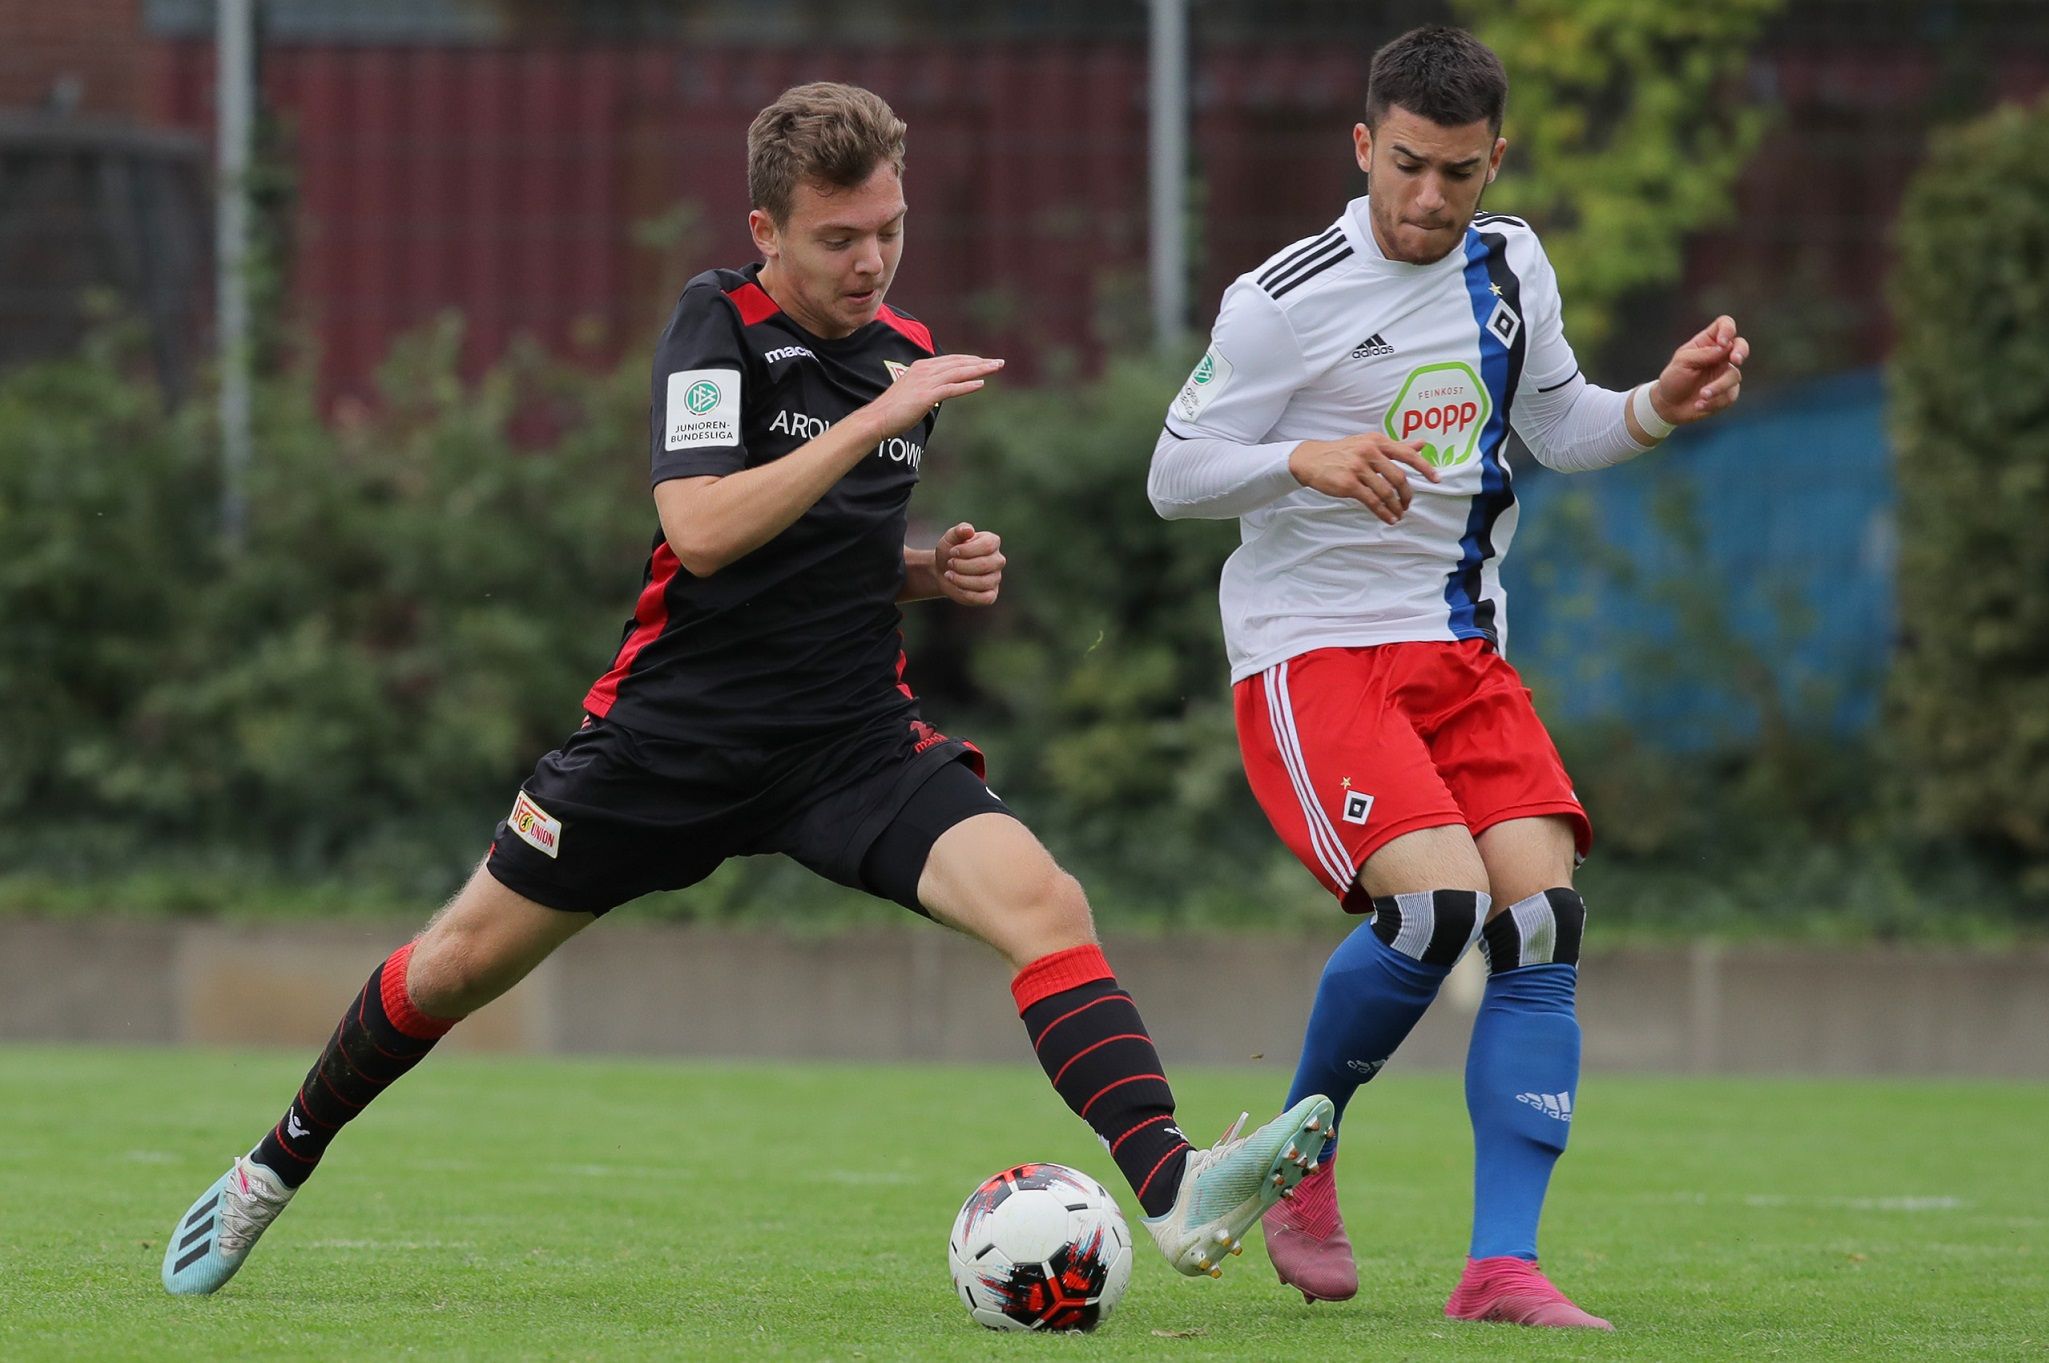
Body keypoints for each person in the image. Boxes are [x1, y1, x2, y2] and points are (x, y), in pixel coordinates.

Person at [163, 80, 1332, 1298]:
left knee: (1044, 900)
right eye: (838, 237)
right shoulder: (716, 326)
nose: (871, 260)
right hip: (667, 742)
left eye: (889, 229)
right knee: (454, 964)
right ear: (767, 232)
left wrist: (925, 571)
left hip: (845, 741)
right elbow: (707, 527)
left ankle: (1173, 1187)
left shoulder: (907, 357)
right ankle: (268, 1171)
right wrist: (872, 418)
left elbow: (818, 556)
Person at [1148, 26, 1748, 1331]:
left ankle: (1499, 1267)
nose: (1428, 199)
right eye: (1407, 166)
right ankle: (1298, 1162)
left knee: (1540, 922)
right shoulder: (1281, 297)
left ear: (1494, 162)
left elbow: (1559, 425)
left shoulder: (1510, 262)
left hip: (1459, 649)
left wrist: (1659, 403)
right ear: (1363, 145)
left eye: (1458, 173)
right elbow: (1173, 469)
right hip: (1313, 652)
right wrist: (1293, 459)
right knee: (1436, 910)